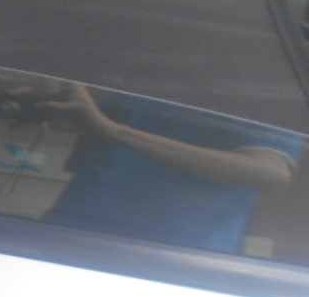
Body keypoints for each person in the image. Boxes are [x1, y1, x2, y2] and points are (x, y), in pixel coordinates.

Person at [41, 83, 300, 254]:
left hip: (174, 259)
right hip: (68, 236)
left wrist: (113, 131)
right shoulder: (140, 71)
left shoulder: (263, 87)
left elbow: (270, 173)